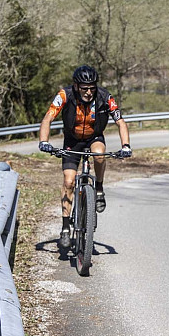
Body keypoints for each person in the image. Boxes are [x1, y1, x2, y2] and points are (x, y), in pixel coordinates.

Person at [38, 65, 131, 248]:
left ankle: (99, 188)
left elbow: (120, 122)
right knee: (69, 181)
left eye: (92, 88)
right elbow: (48, 118)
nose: (89, 92)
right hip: (72, 140)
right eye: (84, 88)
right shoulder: (65, 95)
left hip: (94, 137)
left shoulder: (105, 97)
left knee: (99, 155)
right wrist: (44, 141)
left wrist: (126, 146)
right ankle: (65, 227)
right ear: (75, 86)